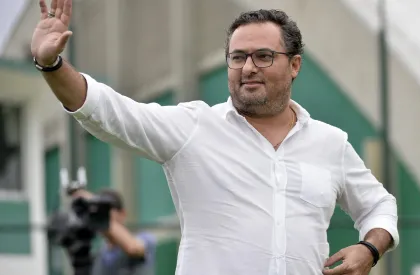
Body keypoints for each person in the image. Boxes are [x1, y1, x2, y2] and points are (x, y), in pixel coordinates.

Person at [31, 1, 399, 274]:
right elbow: (108, 112)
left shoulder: (330, 143)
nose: (249, 67)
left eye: (264, 56)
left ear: (295, 65)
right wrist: (52, 66)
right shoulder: (194, 127)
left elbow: (379, 206)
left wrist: (370, 248)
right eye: (238, 57)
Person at [72, 188, 157, 275]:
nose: (99, 217)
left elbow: (133, 248)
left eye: (106, 211)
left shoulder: (145, 239)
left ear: (122, 214)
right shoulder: (100, 255)